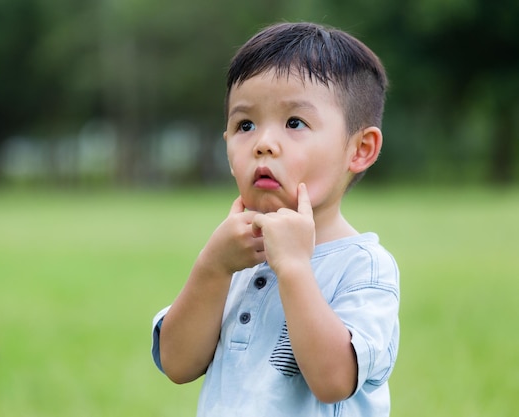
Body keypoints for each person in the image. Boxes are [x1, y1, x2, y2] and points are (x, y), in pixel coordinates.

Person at [151, 21, 400, 416]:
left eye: (294, 123)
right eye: (244, 125)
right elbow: (178, 365)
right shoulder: (233, 257)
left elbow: (334, 381)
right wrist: (212, 267)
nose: (263, 143)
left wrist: (296, 268)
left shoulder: (363, 268)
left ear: (360, 149)